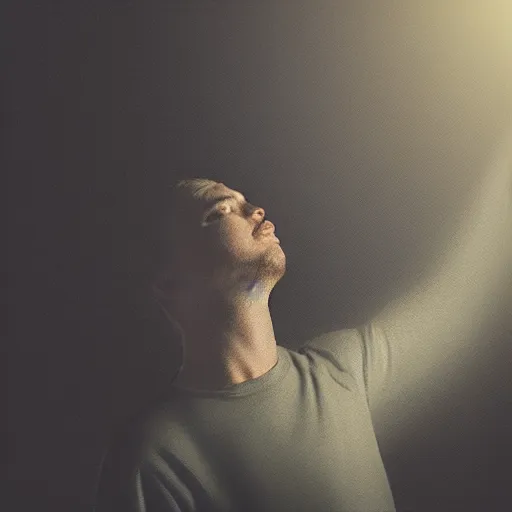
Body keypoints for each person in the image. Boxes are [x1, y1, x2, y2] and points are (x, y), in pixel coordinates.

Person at [95, 136, 511, 512]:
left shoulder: (343, 370)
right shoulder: (155, 458)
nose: (255, 210)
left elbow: (464, 286)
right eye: (220, 210)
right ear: (169, 284)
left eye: (246, 201)